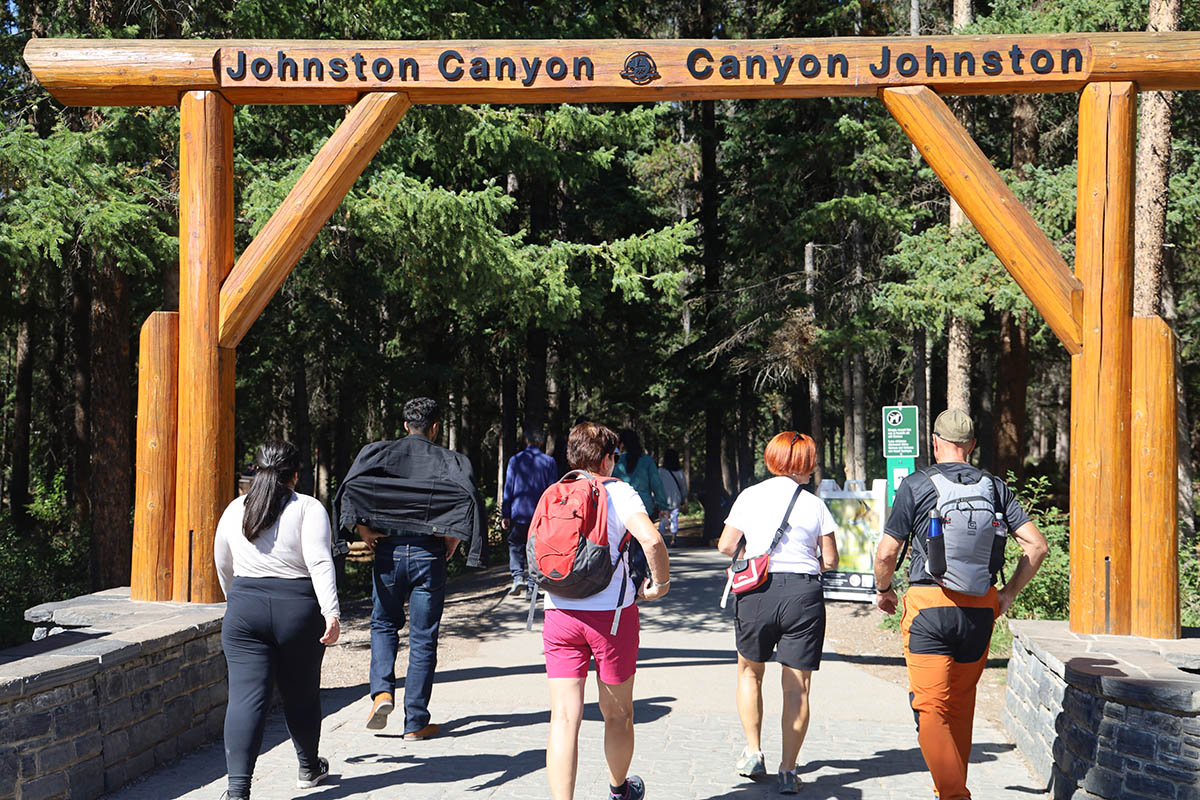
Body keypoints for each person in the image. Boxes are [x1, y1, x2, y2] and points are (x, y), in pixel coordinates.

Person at [873, 409, 1048, 800]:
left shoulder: (917, 484)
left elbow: (887, 553)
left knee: (931, 708)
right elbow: (1037, 546)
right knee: (961, 706)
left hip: (929, 607)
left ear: (935, 442)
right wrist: (1007, 595)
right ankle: (946, 790)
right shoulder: (995, 487)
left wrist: (883, 589)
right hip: (981, 609)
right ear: (970, 445)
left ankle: (954, 796)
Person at [335, 397, 487, 739]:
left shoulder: (378, 455)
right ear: (435, 427)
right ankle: (415, 721)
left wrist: (362, 529)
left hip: (387, 551)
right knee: (423, 637)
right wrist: (454, 538)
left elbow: (351, 489)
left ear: (405, 426)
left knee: (384, 623)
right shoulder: (451, 461)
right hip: (428, 554)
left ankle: (382, 692)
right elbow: (467, 499)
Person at [542, 422, 671, 800]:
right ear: (607, 460)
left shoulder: (555, 491)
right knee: (617, 714)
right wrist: (660, 585)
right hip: (611, 618)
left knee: (564, 718)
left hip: (558, 615)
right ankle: (619, 790)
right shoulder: (619, 492)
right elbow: (651, 539)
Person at [214, 441, 341, 799]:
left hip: (244, 608)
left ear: (257, 470)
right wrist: (331, 611)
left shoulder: (236, 508)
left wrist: (235, 600)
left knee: (244, 699)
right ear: (296, 475)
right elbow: (319, 561)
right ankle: (308, 767)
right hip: (298, 610)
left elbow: (222, 562)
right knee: (301, 693)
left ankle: (237, 791)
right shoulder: (308, 508)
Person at [717, 432, 838, 794]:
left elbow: (726, 545)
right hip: (802, 594)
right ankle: (788, 770)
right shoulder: (814, 504)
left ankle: (754, 752)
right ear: (807, 462)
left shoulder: (750, 496)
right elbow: (830, 560)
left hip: (756, 591)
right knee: (797, 687)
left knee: (749, 673)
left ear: (771, 459)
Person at [501, 427, 559, 597]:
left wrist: (505, 513)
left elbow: (508, 488)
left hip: (518, 511)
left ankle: (518, 578)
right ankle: (533, 586)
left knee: (515, 544)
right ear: (541, 441)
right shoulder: (549, 461)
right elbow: (552, 490)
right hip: (540, 514)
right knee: (536, 548)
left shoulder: (515, 460)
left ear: (525, 440)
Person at [613, 429, 667, 523]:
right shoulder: (647, 461)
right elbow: (657, 484)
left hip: (620, 510)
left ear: (622, 444)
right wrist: (663, 506)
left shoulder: (615, 462)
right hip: (644, 508)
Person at [656, 448, 688, 546]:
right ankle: (673, 539)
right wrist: (683, 497)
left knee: (663, 520)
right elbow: (683, 486)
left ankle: (661, 539)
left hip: (663, 500)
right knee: (674, 519)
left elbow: (657, 485)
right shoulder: (679, 472)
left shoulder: (660, 471)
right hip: (676, 499)